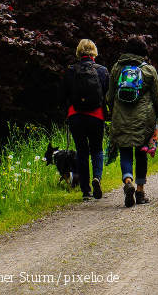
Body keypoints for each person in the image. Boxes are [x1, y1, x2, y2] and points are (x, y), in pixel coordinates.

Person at [106, 36, 158, 208]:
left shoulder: (117, 68)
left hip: (121, 117)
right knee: (141, 153)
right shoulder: (149, 70)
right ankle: (139, 190)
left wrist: (112, 111)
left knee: (125, 151)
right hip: (143, 120)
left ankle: (127, 180)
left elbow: (110, 96)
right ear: (143, 51)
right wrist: (157, 114)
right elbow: (157, 97)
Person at [61, 39, 108, 201]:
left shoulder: (70, 71)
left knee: (81, 152)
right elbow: (106, 95)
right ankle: (97, 178)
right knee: (97, 150)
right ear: (94, 52)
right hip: (96, 116)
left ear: (79, 52)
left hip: (76, 116)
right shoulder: (102, 71)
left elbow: (65, 95)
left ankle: (85, 191)